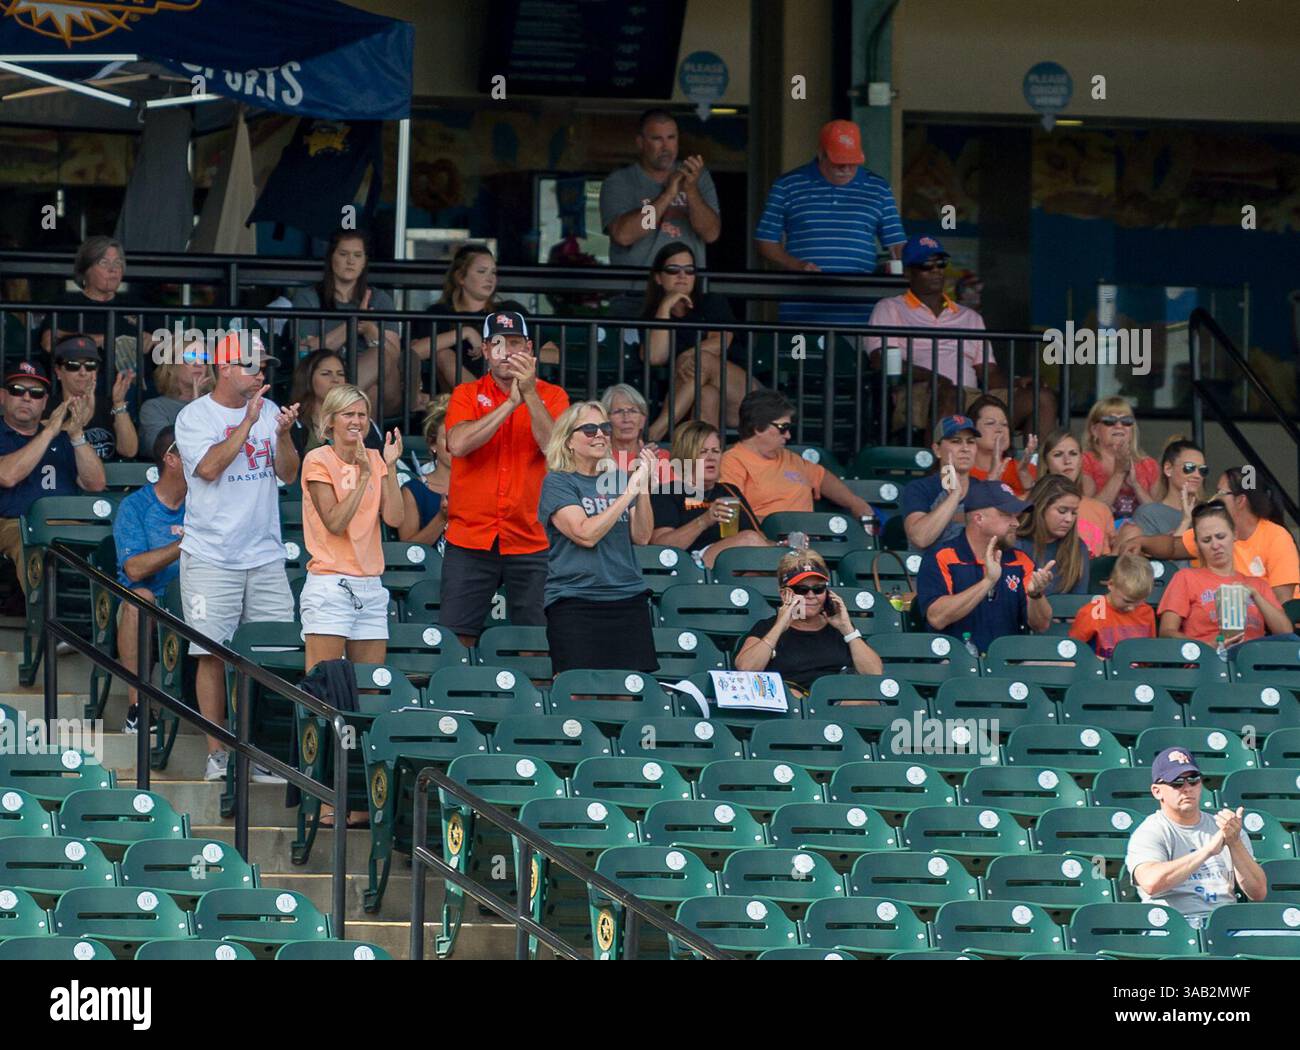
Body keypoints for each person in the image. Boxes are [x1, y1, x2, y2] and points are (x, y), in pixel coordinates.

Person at [174, 332, 300, 783]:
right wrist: (246, 423)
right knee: (210, 653)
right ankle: (219, 754)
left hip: (264, 555)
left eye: (263, 365)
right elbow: (207, 469)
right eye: (251, 365)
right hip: (212, 555)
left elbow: (288, 473)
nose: (260, 373)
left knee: (272, 656)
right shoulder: (194, 415)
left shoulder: (269, 411)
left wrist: (282, 435)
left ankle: (260, 752)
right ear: (224, 368)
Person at [442, 310, 569, 648]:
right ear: (485, 350)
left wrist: (528, 395)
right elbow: (457, 443)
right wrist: (509, 405)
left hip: (531, 535)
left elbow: (554, 450)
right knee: (458, 637)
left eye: (514, 343)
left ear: (529, 349)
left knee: (536, 641)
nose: (506, 352)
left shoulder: (553, 396)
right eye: (497, 343)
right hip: (470, 536)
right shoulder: (465, 394)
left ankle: (534, 703)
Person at [865, 235, 1055, 437]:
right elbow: (880, 359)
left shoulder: (969, 316)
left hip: (972, 398)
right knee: (951, 393)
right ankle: (940, 468)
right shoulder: (890, 307)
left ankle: (1035, 467)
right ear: (908, 273)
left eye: (941, 264)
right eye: (926, 266)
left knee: (1042, 397)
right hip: (920, 393)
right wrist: (936, 378)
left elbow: (988, 373)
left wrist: (1016, 382)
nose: (936, 271)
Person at [537, 401, 658, 674]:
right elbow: (585, 534)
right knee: (578, 691)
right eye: (590, 429)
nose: (600, 434)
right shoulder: (558, 482)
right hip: (576, 601)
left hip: (627, 596)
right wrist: (629, 491)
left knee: (628, 690)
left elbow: (642, 536)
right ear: (568, 440)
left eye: (604, 427)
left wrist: (643, 486)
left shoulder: (619, 480)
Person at [754, 120, 905, 327]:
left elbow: (897, 244)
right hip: (802, 307)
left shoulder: (878, 188)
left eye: (852, 161)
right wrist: (796, 265)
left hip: (860, 310)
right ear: (821, 154)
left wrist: (917, 271)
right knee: (800, 359)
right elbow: (765, 241)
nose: (846, 168)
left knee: (857, 359)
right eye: (838, 161)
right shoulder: (787, 185)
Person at [1126, 747, 1266, 929]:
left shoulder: (1227, 828)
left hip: (1225, 925)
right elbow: (1151, 883)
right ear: (1157, 791)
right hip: (1172, 927)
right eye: (1176, 782)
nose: (1187, 788)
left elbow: (1258, 892)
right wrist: (1207, 851)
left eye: (1193, 780)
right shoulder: (1150, 830)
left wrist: (1235, 842)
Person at [916, 480, 1055, 655]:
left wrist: (1036, 595)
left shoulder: (1021, 560)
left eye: (1016, 515)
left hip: (1009, 663)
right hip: (954, 664)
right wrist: (988, 581)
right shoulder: (942, 556)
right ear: (979, 518)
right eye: (1007, 514)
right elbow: (936, 618)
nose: (1016, 523)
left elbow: (1041, 625)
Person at [0, 361, 105, 592]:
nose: (27, 398)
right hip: (16, 524)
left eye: (36, 393)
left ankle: (98, 622)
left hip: (69, 523)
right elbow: (7, 476)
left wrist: (76, 435)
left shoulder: (63, 437)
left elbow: (95, 483)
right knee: (33, 547)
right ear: (2, 396)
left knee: (107, 549)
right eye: (18, 391)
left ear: (45, 402)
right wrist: (48, 432)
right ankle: (43, 621)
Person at [636, 242, 751, 440]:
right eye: (673, 270)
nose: (682, 276)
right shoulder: (653, 316)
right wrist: (664, 307)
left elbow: (721, 341)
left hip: (741, 397)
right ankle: (703, 465)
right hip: (695, 403)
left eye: (689, 271)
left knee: (703, 360)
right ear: (658, 277)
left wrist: (685, 356)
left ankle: (655, 431)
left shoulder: (711, 302)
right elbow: (655, 357)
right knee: (706, 394)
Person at [113, 427, 186, 733]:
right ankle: (137, 707)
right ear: (171, 458)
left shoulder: (206, 503)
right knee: (140, 600)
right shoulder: (136, 506)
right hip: (148, 605)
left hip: (195, 602)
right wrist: (185, 544)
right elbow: (133, 569)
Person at [1139, 467, 1299, 607]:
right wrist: (1141, 541)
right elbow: (1173, 547)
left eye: (1221, 493)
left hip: (1271, 632)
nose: (1214, 498)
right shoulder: (1214, 530)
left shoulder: (1277, 537)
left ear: (1240, 500)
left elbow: (1281, 602)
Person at [291, 229, 406, 416]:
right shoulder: (309, 297)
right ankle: (362, 441)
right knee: (370, 393)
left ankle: (335, 409)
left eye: (357, 255)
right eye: (343, 254)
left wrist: (371, 331)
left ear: (364, 261)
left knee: (380, 355)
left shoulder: (379, 299)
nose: (350, 261)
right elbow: (307, 349)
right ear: (331, 258)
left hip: (386, 392)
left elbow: (393, 356)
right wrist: (352, 324)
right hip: (325, 384)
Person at [735, 549, 883, 693]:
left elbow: (874, 674)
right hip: (792, 706)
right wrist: (779, 626)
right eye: (801, 589)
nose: (811, 595)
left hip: (837, 699)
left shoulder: (841, 628)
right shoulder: (767, 627)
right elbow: (745, 669)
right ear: (784, 593)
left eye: (818, 589)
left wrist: (847, 630)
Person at [719, 390, 874, 522]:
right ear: (758, 427)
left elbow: (822, 478)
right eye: (783, 428)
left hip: (808, 542)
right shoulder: (733, 461)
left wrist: (854, 502)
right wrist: (781, 525)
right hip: (766, 543)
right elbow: (732, 515)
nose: (788, 435)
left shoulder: (790, 457)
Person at [1156, 501, 1294, 647]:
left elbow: (1285, 632)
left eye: (1221, 536)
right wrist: (1206, 646)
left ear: (1234, 535)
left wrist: (1255, 595)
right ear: (1197, 544)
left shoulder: (1257, 585)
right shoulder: (1186, 578)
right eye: (1206, 540)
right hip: (1208, 659)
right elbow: (1166, 632)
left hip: (1252, 657)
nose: (1215, 545)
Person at [600, 109, 720, 269]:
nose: (666, 147)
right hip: (637, 290)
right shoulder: (620, 181)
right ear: (640, 143)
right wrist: (668, 194)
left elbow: (710, 234)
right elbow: (624, 236)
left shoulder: (697, 177)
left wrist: (691, 191)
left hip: (685, 289)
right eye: (657, 139)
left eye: (671, 138)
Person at [650, 421, 769, 569]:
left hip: (736, 567)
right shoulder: (667, 492)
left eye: (716, 451)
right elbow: (660, 547)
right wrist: (704, 520)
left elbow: (760, 540)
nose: (711, 457)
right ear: (685, 456)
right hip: (688, 568)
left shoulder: (729, 491)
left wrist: (785, 545)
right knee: (749, 540)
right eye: (703, 451)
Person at [410, 244, 529, 392]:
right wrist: (465, 332)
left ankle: (485, 401)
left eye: (493, 272)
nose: (490, 278)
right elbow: (411, 353)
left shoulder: (510, 311)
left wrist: (513, 351)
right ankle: (477, 400)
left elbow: (553, 354)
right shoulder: (439, 313)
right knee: (442, 353)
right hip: (455, 402)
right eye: (481, 271)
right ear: (460, 277)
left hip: (508, 392)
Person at [38, 237, 146, 368]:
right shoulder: (66, 304)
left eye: (117, 263)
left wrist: (154, 340)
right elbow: (49, 343)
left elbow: (169, 338)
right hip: (85, 382)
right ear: (86, 270)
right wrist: (103, 340)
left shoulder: (136, 305)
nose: (113, 269)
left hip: (134, 384)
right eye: (104, 263)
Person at [44, 335, 137, 461]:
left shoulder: (108, 405)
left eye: (90, 365)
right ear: (58, 371)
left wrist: (119, 403)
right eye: (73, 365)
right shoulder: (47, 407)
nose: (83, 372)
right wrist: (78, 421)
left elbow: (129, 451)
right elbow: (46, 448)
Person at [901, 414, 979, 551]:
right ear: (937, 450)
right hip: (931, 569)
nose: (965, 448)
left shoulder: (983, 489)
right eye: (956, 441)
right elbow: (920, 538)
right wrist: (954, 495)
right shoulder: (919, 488)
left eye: (971, 442)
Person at [1117, 439, 1207, 556]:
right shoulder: (1148, 513)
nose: (1197, 475)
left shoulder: (1208, 512)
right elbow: (1157, 567)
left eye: (1203, 470)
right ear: (1168, 469)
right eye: (1189, 467)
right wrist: (1186, 521)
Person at [288, 350, 383, 457]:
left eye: (340, 374)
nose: (335, 379)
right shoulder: (293, 422)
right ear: (308, 379)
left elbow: (377, 461)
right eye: (326, 374)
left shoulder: (361, 420)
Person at [1080, 396, 1159, 521]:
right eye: (1109, 421)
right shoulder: (1085, 461)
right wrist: (1118, 473)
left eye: (1126, 421)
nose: (1119, 426)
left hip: (1142, 536)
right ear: (1094, 430)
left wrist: (1136, 486)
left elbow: (1159, 519)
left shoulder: (1149, 465)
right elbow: (1090, 514)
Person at [1040, 430, 1115, 557]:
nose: (1067, 461)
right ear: (1046, 462)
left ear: (1081, 460)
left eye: (1073, 454)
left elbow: (1104, 561)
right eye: (1058, 454)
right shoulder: (1028, 503)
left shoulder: (1101, 509)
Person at [1068, 552, 1155, 660]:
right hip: (1101, 672)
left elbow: (1150, 651)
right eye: (1127, 601)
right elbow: (1072, 651)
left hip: (1139, 673)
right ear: (1111, 585)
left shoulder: (1146, 612)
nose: (1132, 607)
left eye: (1138, 602)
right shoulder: (1091, 613)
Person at [1015, 474, 1090, 596]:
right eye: (1062, 511)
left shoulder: (1078, 547)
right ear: (1041, 507)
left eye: (1074, 512)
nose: (1069, 519)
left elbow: (1078, 602)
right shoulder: (1015, 544)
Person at [398, 393, 451, 545]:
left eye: (461, 436)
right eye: (448, 437)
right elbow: (408, 550)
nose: (455, 444)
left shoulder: (483, 487)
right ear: (433, 444)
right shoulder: (414, 490)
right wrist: (442, 518)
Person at [139, 348, 213, 452]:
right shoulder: (155, 407)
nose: (198, 363)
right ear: (171, 366)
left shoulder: (218, 403)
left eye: (204, 358)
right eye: (189, 357)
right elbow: (164, 451)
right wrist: (196, 405)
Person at [600, 383, 672, 481]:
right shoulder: (598, 456)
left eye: (633, 411)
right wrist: (637, 470)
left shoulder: (657, 456)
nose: (626, 419)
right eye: (618, 412)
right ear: (606, 420)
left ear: (643, 420)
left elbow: (675, 494)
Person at [966, 394, 1035, 496]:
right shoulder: (959, 471)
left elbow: (1040, 507)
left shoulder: (1026, 469)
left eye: (1004, 424)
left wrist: (1024, 474)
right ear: (972, 430)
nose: (999, 430)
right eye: (990, 423)